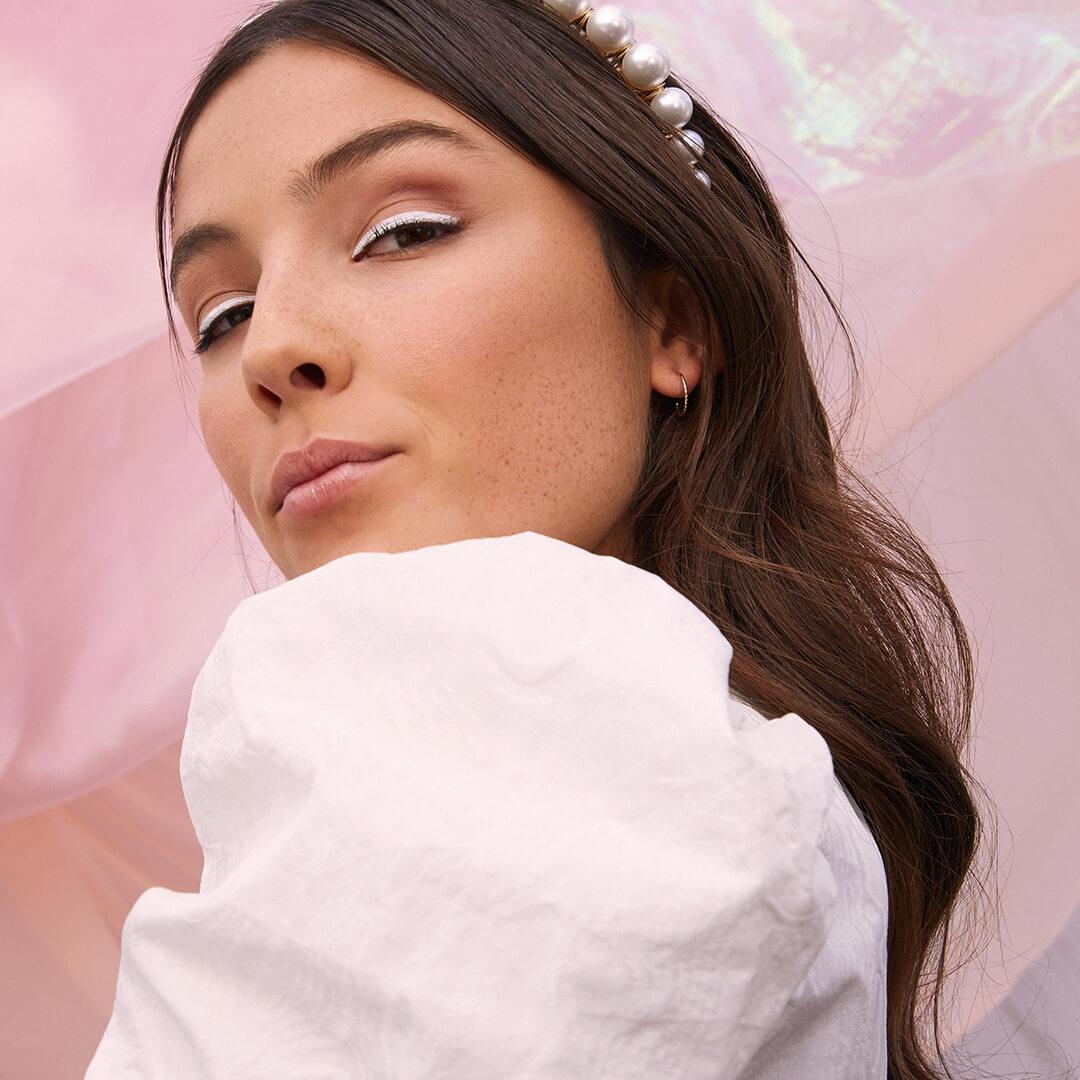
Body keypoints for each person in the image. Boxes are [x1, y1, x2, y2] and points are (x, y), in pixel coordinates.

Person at [86, 1, 985, 1076]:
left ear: (672, 320)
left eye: (403, 231)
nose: (272, 348)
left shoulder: (533, 687)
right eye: (221, 317)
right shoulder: (757, 784)